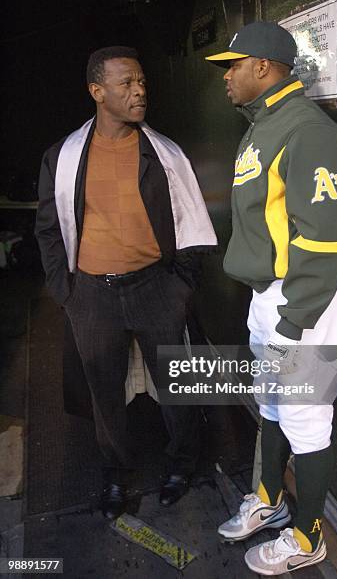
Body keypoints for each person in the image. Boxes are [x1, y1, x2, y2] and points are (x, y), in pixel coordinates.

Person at [35, 46, 217, 519]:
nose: (139, 91)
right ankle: (117, 476)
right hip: (92, 295)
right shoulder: (64, 157)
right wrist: (67, 293)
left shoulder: (163, 154)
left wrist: (180, 288)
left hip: (157, 288)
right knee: (105, 394)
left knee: (179, 384)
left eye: (141, 82)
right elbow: (49, 229)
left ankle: (182, 465)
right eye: (126, 83)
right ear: (97, 91)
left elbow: (191, 222)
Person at [206, 23, 337, 574]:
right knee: (272, 404)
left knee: (306, 416)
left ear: (264, 67)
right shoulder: (263, 123)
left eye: (234, 64)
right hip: (269, 294)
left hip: (307, 298)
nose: (227, 76)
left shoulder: (307, 130)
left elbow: (323, 241)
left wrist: (297, 319)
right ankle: (270, 502)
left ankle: (307, 536)